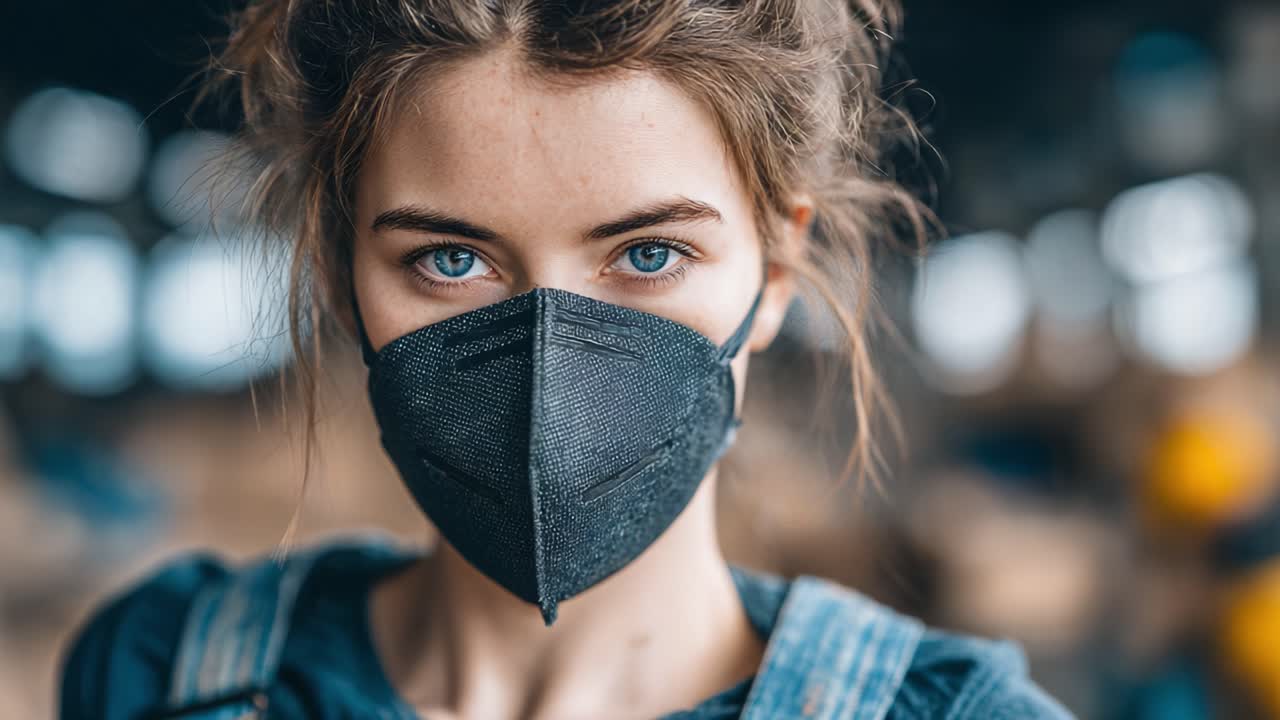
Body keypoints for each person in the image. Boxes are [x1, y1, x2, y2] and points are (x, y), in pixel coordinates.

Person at [59, 1, 1075, 718]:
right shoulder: (152, 671)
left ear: (772, 272)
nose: (549, 372)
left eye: (647, 254)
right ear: (335, 272)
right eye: (449, 259)